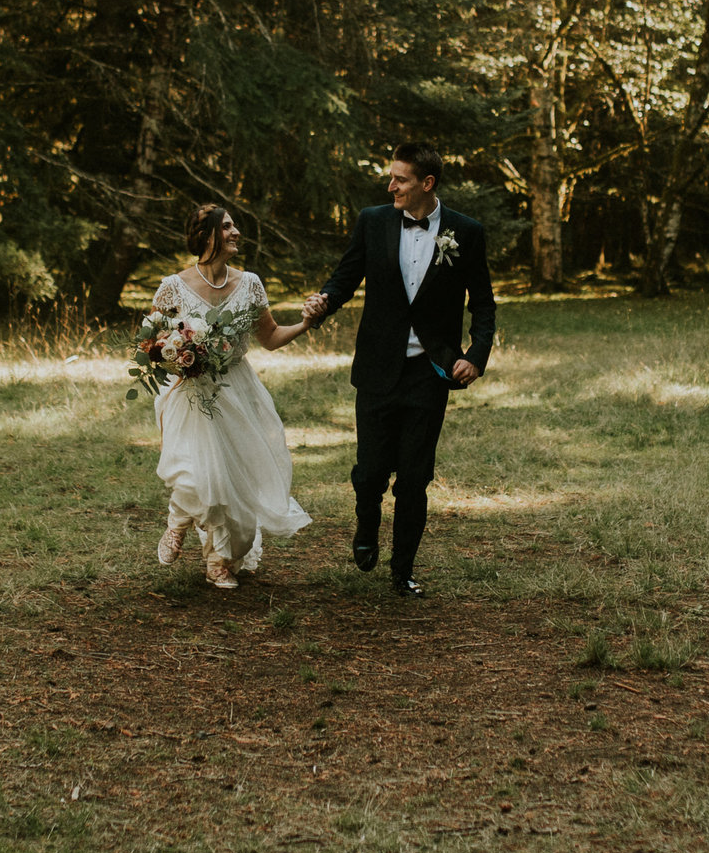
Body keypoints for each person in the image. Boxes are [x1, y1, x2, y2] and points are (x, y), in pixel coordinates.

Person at [301, 143, 496, 596]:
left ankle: (402, 570)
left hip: (430, 372)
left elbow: (484, 303)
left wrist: (475, 356)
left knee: (414, 478)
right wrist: (323, 302)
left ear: (427, 183)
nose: (391, 186)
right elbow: (345, 277)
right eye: (391, 178)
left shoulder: (466, 232)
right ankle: (366, 525)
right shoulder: (373, 221)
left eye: (400, 179)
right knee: (370, 472)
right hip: (377, 367)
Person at [147, 204, 316, 590]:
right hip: (191, 391)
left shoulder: (250, 283)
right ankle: (177, 522)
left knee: (237, 483)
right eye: (226, 227)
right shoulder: (173, 286)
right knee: (195, 473)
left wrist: (306, 323)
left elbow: (269, 337)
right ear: (206, 235)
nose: (236, 232)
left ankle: (220, 560)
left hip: (236, 390)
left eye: (234, 226)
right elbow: (150, 341)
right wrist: (174, 354)